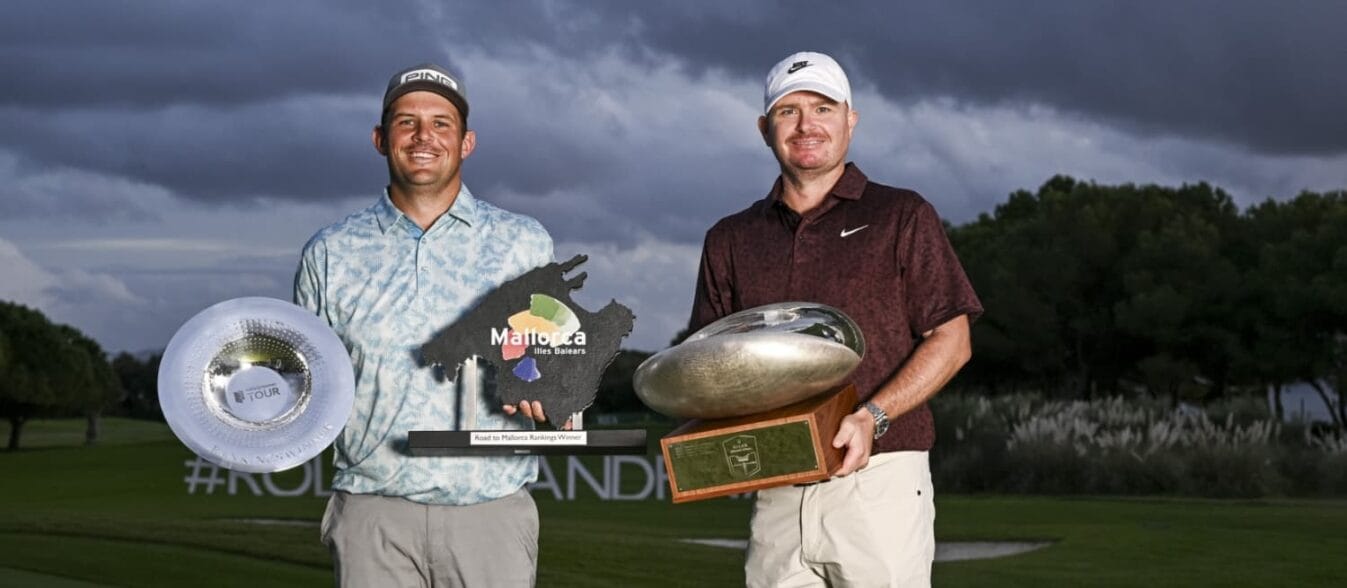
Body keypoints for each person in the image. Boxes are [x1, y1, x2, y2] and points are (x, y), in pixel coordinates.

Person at [689, 51, 983, 587]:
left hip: (879, 480)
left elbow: (952, 338)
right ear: (764, 128)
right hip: (777, 487)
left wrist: (874, 416)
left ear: (851, 120)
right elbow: (711, 365)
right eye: (788, 111)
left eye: (823, 108)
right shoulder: (731, 238)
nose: (807, 125)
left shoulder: (902, 215)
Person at [294, 62, 558, 587]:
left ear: (466, 143)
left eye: (441, 124)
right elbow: (306, 383)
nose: (423, 137)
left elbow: (550, 357)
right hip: (372, 513)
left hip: (491, 512)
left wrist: (548, 383)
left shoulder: (524, 243)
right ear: (379, 138)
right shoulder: (330, 252)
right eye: (406, 122)